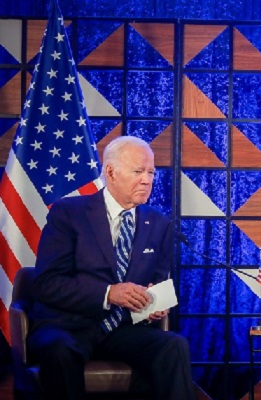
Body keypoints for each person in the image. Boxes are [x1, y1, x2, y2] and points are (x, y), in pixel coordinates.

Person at [27, 136, 195, 400]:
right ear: (110, 172)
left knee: (173, 345)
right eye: (138, 171)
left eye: (151, 172)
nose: (147, 180)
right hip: (68, 325)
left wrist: (153, 305)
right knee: (58, 351)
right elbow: (47, 283)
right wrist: (108, 293)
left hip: (124, 329)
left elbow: (156, 282)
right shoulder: (68, 213)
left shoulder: (158, 223)